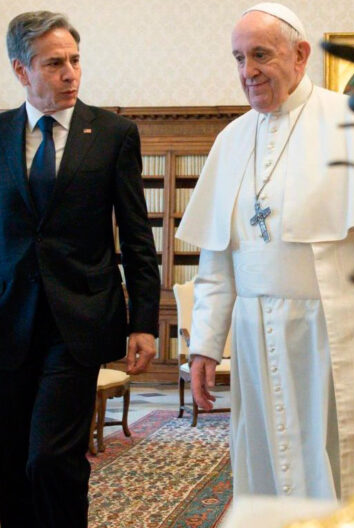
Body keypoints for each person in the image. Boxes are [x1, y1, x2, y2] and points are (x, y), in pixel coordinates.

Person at [177, 3, 354, 501]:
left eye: (260, 55)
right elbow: (217, 260)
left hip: (336, 333)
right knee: (263, 458)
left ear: (300, 55)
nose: (247, 71)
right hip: (255, 336)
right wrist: (206, 345)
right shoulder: (230, 140)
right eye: (238, 58)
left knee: (342, 460)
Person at [0, 11, 160, 528]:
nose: (71, 73)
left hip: (78, 322)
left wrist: (144, 322)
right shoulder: (1, 133)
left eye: (75, 60)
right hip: (8, 321)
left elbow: (137, 236)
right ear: (22, 71)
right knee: (12, 463)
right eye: (54, 63)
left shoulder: (112, 134)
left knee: (51, 458)